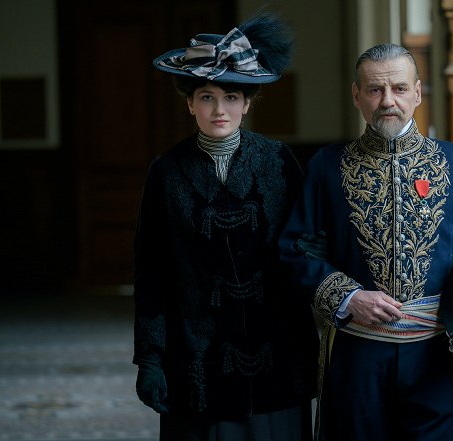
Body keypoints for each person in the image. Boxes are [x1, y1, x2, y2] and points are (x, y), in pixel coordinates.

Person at [278, 43, 453, 441]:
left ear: (417, 92)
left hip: (433, 353)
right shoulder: (327, 166)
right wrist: (348, 297)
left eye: (398, 88)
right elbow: (294, 249)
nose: (387, 101)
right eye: (375, 90)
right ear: (356, 95)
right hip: (357, 354)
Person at [132, 14, 319, 441]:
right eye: (207, 96)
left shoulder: (278, 162)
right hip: (196, 355)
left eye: (231, 96)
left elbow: (307, 248)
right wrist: (150, 358)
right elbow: (151, 271)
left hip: (278, 348)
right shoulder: (167, 172)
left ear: (247, 102)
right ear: (189, 103)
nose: (220, 109)